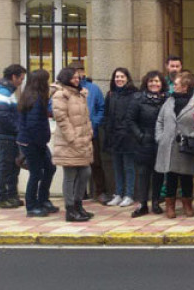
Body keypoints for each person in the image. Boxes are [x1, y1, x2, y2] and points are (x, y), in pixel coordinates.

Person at [156, 72, 194, 219]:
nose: (173, 86)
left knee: (186, 177)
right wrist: (160, 137)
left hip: (186, 146)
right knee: (170, 176)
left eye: (176, 84)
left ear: (185, 87)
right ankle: (170, 206)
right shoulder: (169, 101)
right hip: (169, 145)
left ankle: (187, 204)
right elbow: (159, 121)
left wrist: (192, 136)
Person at [50, 67, 94, 222]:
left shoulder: (80, 93)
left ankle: (78, 204)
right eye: (74, 77)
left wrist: (89, 133)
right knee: (70, 176)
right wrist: (72, 138)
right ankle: (70, 209)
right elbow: (61, 118)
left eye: (78, 77)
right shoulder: (61, 95)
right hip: (69, 142)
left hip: (83, 141)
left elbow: (85, 117)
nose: (78, 79)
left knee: (85, 173)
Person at [17, 69, 58, 217]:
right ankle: (32, 206)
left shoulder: (33, 95)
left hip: (35, 142)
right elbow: (33, 125)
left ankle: (42, 200)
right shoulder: (35, 99)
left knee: (50, 168)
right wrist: (41, 143)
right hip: (32, 143)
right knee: (36, 173)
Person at [68, 61, 109, 205]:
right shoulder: (64, 90)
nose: (77, 74)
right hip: (72, 135)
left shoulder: (93, 89)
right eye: (74, 71)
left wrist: (94, 123)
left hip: (91, 133)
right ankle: (78, 193)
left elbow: (101, 108)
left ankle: (100, 192)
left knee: (96, 163)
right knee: (74, 166)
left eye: (79, 70)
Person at [129, 71, 168, 218]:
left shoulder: (167, 99)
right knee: (143, 174)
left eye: (157, 81)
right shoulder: (138, 98)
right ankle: (142, 204)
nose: (154, 84)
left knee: (158, 173)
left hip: (161, 141)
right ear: (146, 83)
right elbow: (130, 120)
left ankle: (156, 202)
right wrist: (140, 136)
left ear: (161, 83)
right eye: (151, 81)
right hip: (144, 141)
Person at [0, 64, 27, 209]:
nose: (21, 82)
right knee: (5, 167)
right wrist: (18, 129)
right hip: (5, 136)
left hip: (10, 135)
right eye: (21, 79)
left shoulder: (8, 92)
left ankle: (12, 195)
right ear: (14, 77)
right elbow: (3, 116)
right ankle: (3, 197)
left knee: (13, 167)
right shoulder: (2, 93)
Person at [104, 68, 139, 207]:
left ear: (127, 78)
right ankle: (118, 193)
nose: (119, 79)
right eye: (117, 77)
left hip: (128, 136)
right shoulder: (110, 94)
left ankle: (129, 194)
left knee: (128, 166)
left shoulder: (135, 94)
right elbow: (106, 114)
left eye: (122, 76)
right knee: (116, 167)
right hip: (113, 136)